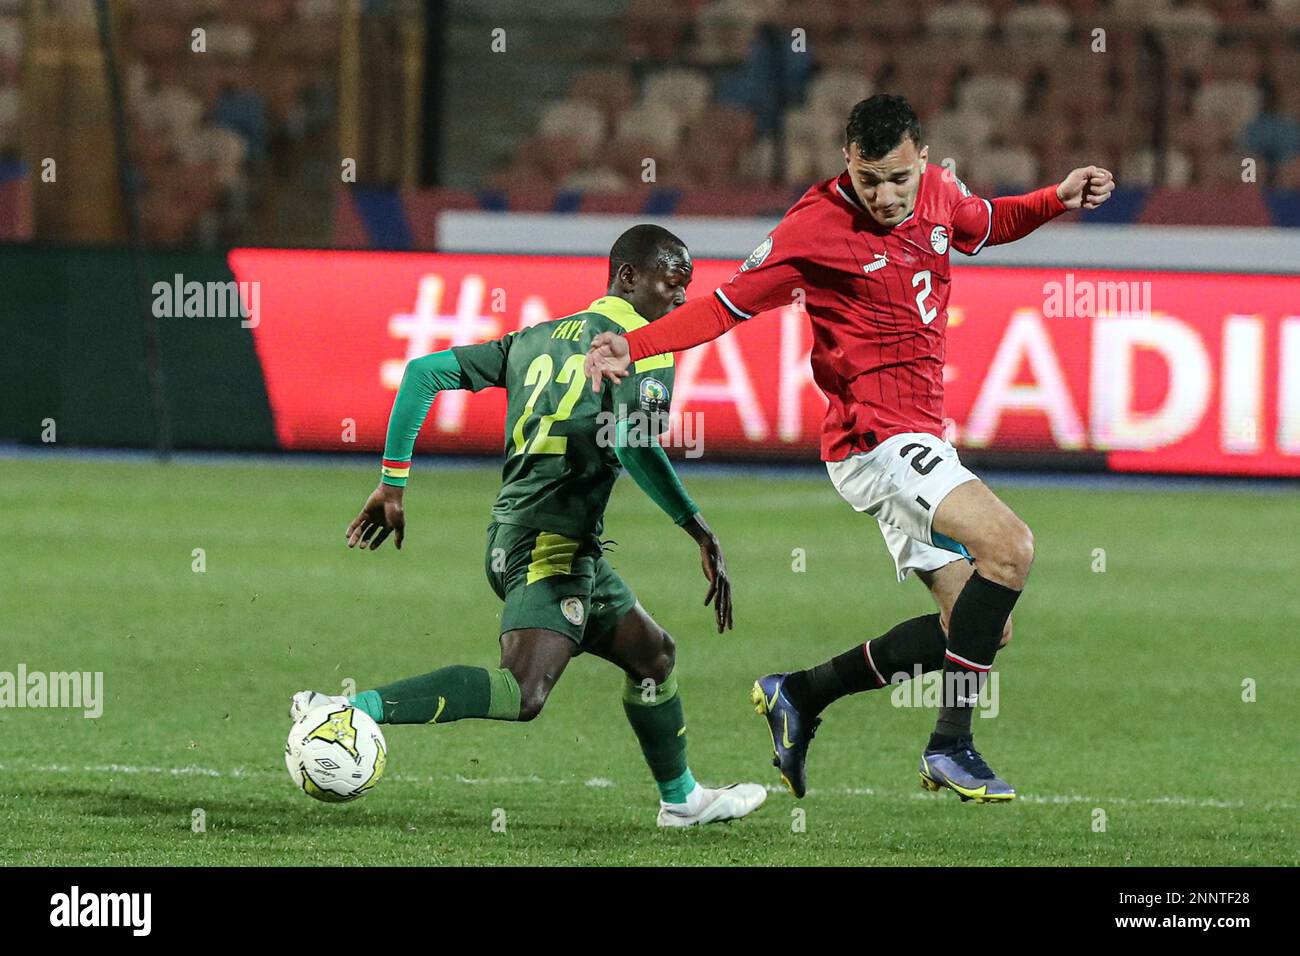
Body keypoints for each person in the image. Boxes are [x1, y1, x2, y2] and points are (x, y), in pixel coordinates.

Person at [584, 95, 1115, 803]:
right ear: (848, 163)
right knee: (1011, 548)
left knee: (984, 623)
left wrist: (1058, 198)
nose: (887, 195)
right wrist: (636, 343)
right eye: (870, 180)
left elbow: (987, 223)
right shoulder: (814, 227)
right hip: (875, 440)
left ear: (922, 161)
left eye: (899, 178)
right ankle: (951, 744)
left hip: (921, 436)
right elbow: (724, 306)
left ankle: (800, 694)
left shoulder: (937, 192)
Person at [292, 224, 766, 827]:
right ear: (628, 277)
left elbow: (422, 373)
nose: (680, 300)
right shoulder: (642, 345)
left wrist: (393, 481)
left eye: (686, 287)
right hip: (549, 545)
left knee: (654, 657)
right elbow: (635, 441)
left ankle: (682, 800)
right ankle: (343, 708)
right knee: (523, 693)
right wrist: (697, 527)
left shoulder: (534, 338)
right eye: (672, 284)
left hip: (535, 538)